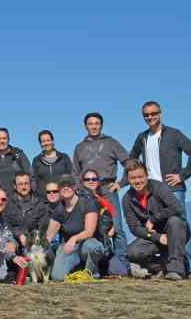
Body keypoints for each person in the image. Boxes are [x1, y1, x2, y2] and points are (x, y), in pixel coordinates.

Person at [129, 100, 191, 277]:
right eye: (146, 115)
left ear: (160, 114)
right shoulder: (142, 137)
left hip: (173, 188)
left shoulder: (174, 134)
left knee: (179, 225)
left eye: (153, 113)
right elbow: (132, 160)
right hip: (152, 191)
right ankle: (170, 264)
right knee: (162, 227)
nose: (150, 117)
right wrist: (124, 182)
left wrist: (182, 175)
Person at [72, 112, 130, 270]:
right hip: (88, 192)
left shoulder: (111, 143)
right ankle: (96, 265)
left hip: (107, 189)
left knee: (116, 228)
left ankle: (123, 266)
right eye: (90, 123)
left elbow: (129, 162)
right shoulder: (80, 147)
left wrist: (122, 182)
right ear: (85, 126)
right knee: (92, 228)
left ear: (101, 125)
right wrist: (79, 191)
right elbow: (75, 173)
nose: (94, 126)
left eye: (97, 123)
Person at [122, 159, 191, 281]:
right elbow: (135, 228)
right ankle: (162, 267)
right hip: (153, 237)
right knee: (132, 253)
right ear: (128, 179)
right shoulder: (127, 199)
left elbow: (178, 208)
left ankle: (176, 270)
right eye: (133, 178)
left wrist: (154, 218)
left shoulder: (159, 187)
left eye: (140, 177)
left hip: (176, 232)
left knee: (175, 221)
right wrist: (157, 237)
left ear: (147, 176)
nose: (137, 181)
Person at [45, 175, 105, 281]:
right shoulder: (58, 210)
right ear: (59, 189)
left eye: (69, 185)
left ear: (75, 187)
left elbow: (89, 232)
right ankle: (76, 269)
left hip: (86, 244)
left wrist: (74, 238)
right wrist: (37, 249)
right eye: (63, 186)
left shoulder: (87, 203)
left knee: (93, 247)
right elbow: (49, 236)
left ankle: (91, 273)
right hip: (69, 248)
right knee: (57, 277)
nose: (66, 188)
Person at [80, 168, 127, 276]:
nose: (91, 181)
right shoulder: (79, 199)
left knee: (121, 272)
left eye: (94, 179)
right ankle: (90, 270)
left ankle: (102, 265)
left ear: (98, 182)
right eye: (87, 179)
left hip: (104, 243)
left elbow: (114, 214)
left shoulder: (103, 200)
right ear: (83, 182)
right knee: (93, 247)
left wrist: (112, 229)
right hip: (88, 244)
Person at [0, 128, 33, 194]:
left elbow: (31, 175)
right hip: (0, 200)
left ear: (8, 139)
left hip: (18, 199)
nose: (2, 141)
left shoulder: (18, 154)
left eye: (4, 138)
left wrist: (31, 195)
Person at [31, 130, 73, 198]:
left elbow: (71, 176)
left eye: (48, 140)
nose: (46, 143)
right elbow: (34, 180)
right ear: (40, 144)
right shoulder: (36, 160)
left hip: (62, 198)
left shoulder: (64, 157)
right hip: (43, 199)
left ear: (52, 141)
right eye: (43, 141)